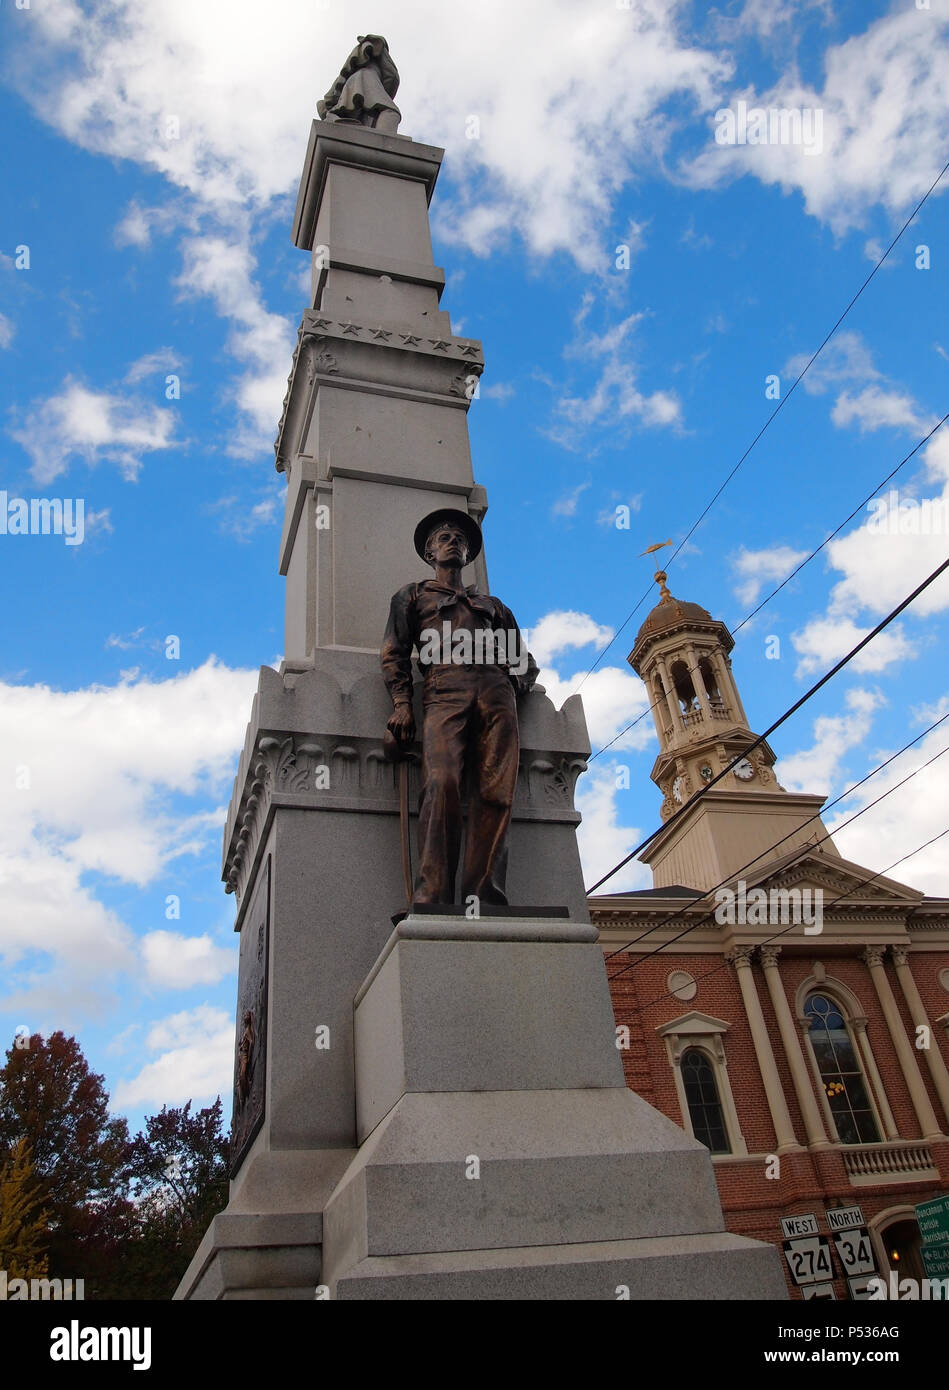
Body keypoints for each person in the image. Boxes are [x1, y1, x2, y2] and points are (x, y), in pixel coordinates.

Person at [381, 508, 537, 908]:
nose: (453, 542)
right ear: (430, 552)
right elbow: (394, 652)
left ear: (468, 555)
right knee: (442, 783)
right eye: (444, 537)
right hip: (443, 687)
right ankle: (432, 894)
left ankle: (483, 894)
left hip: (496, 693)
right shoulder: (413, 595)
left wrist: (511, 680)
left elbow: (524, 660)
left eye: (459, 539)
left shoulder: (493, 605)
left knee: (496, 791)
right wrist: (402, 704)